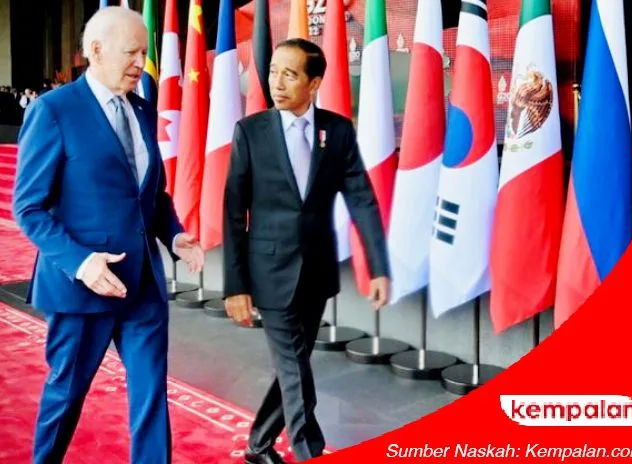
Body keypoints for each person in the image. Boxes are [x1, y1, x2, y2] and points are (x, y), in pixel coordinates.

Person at [12, 7, 204, 464]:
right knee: (66, 396)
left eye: (144, 52)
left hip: (143, 287)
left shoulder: (143, 109)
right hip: (82, 288)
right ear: (96, 50)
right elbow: (29, 208)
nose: (141, 62)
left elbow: (151, 195)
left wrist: (175, 236)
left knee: (151, 397)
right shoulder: (54, 111)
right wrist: (82, 262)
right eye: (131, 52)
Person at [223, 38, 391, 463]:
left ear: (314, 83)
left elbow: (362, 199)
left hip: (316, 270)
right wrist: (235, 285)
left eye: (290, 74)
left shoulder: (337, 131)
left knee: (293, 365)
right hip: (269, 271)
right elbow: (233, 213)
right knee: (295, 368)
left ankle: (258, 445)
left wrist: (378, 266)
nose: (276, 82)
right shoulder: (251, 131)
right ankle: (308, 450)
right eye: (273, 71)